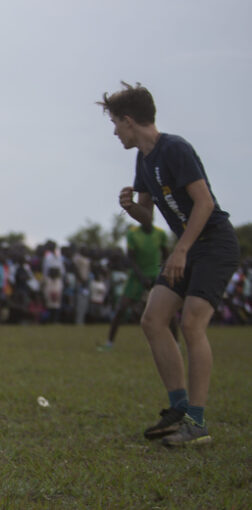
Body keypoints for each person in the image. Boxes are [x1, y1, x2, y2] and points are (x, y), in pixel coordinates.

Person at [99, 81, 239, 447]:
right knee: (152, 319)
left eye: (115, 123)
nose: (114, 132)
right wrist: (131, 207)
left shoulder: (175, 149)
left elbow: (205, 204)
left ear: (129, 121)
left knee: (192, 323)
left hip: (214, 245)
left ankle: (197, 422)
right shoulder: (143, 159)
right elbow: (148, 217)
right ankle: (178, 408)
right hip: (189, 245)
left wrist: (180, 250)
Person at [99, 220, 175, 350]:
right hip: (136, 276)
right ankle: (109, 343)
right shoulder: (133, 233)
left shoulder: (160, 233)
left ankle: (176, 343)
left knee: (168, 309)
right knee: (121, 308)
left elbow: (165, 255)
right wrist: (141, 278)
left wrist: (163, 272)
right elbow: (131, 258)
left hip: (155, 275)